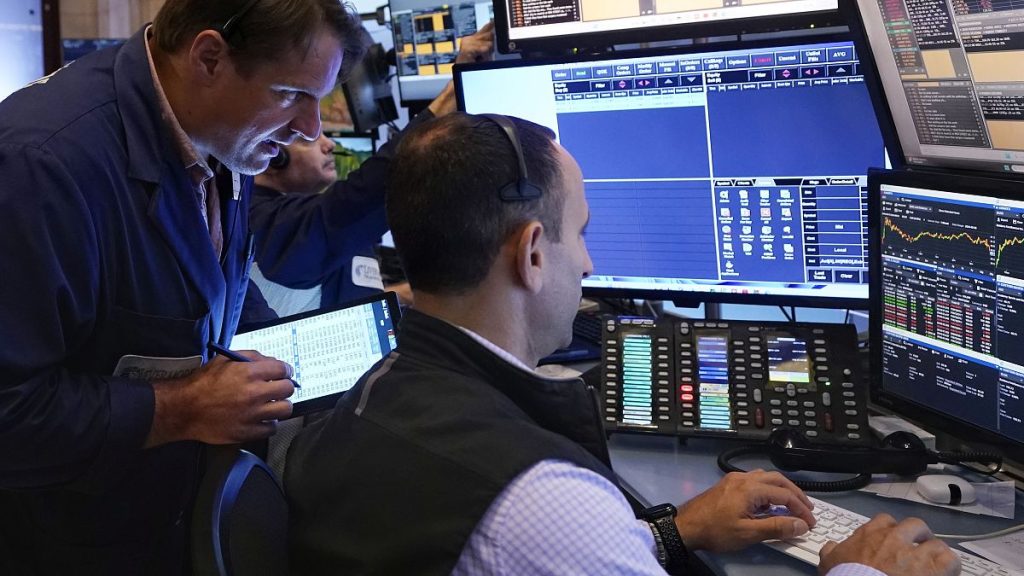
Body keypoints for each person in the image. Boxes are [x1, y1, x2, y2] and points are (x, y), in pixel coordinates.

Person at [284, 112, 961, 576]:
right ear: (532, 256)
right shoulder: (542, 498)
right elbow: (539, 531)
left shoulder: (377, 390)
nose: (589, 264)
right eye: (579, 231)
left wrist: (665, 532)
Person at [0, 1, 363, 573]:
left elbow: (220, 284)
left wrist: (308, 354)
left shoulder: (219, 133)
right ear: (209, 57)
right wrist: (182, 408)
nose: (311, 130)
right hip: (65, 542)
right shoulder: (41, 168)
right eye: (292, 94)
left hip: (171, 516)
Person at [248, 22, 493, 316]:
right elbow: (354, 201)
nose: (327, 145)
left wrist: (396, 294)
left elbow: (341, 289)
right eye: (310, 138)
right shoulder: (260, 220)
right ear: (273, 150)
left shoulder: (288, 212)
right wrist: (451, 95)